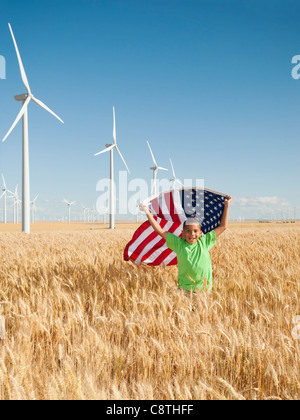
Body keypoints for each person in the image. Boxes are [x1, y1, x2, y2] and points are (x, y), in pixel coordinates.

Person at [139, 195, 232, 293]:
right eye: (188, 231)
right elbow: (160, 231)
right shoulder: (178, 243)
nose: (192, 234)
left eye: (195, 231)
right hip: (184, 290)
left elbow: (223, 227)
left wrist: (226, 205)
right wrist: (147, 212)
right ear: (182, 232)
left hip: (204, 290)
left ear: (200, 233)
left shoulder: (204, 241)